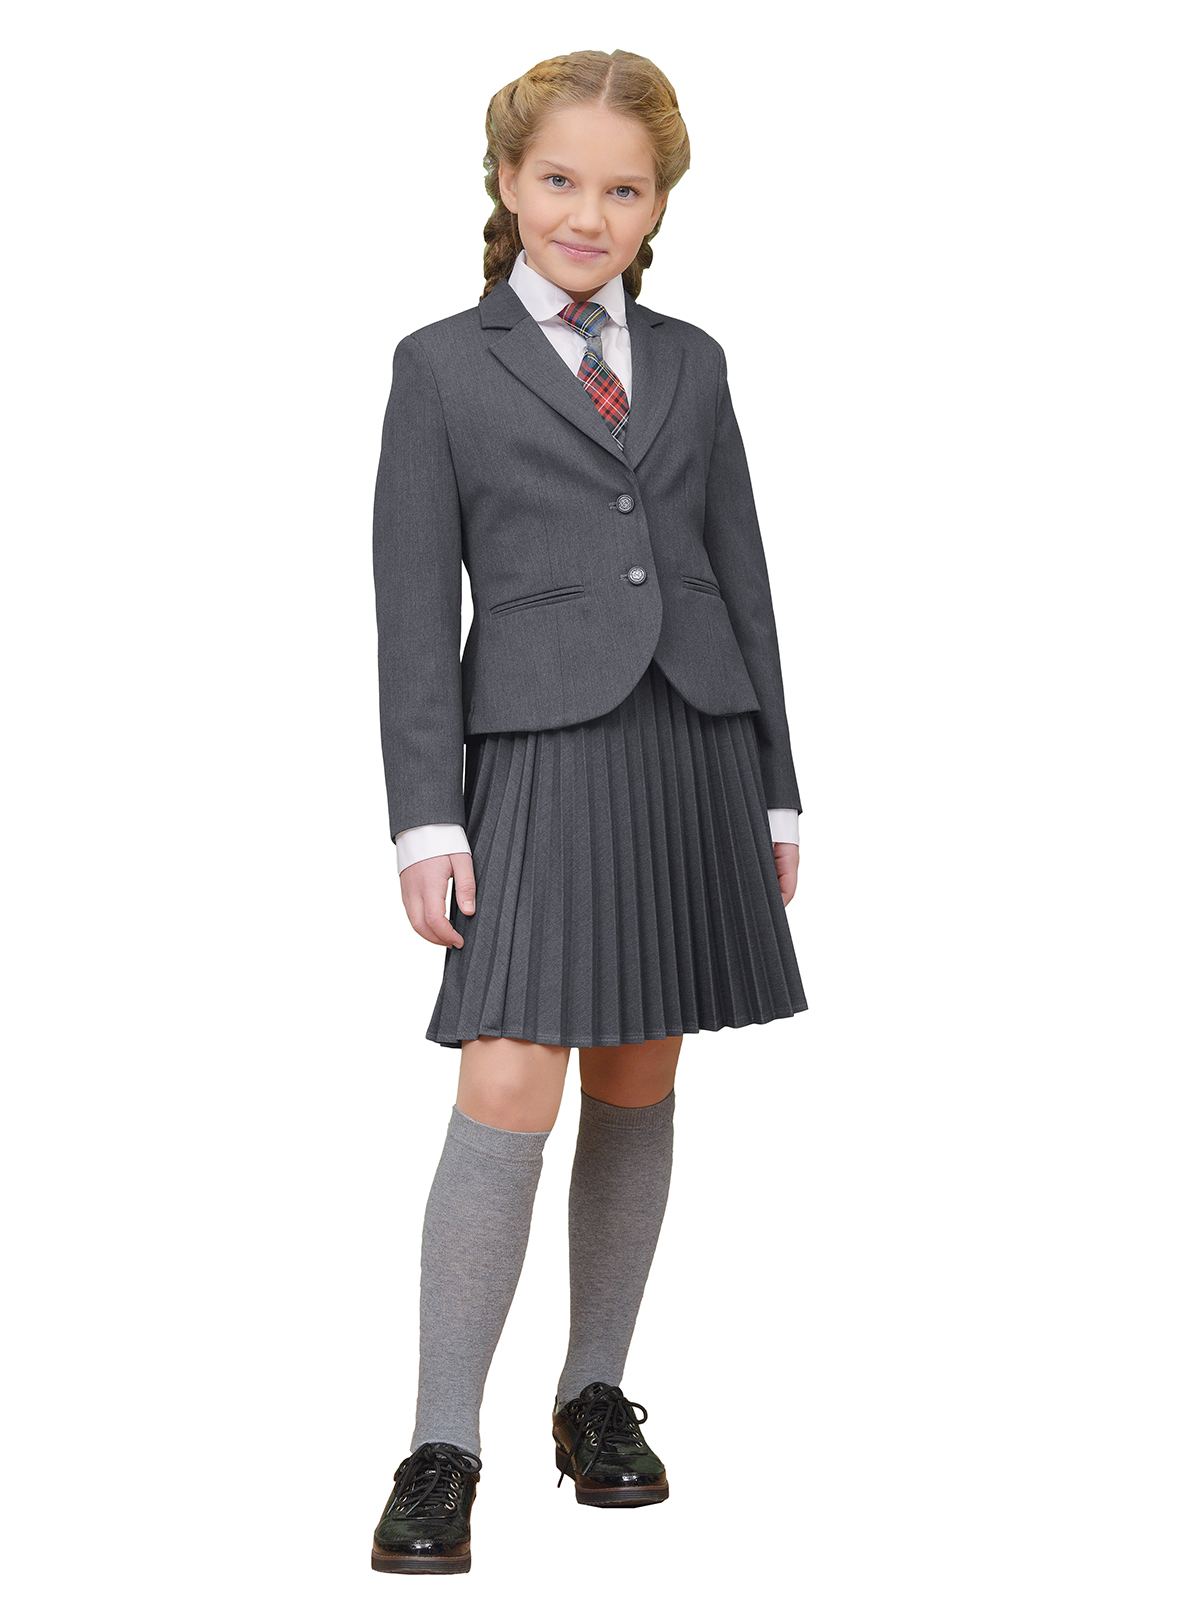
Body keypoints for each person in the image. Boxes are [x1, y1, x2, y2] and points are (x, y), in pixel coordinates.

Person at [368, 48, 807, 1575]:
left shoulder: (694, 361)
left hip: (690, 741)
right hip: (536, 760)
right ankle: (441, 1445)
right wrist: (427, 819)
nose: (587, 212)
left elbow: (742, 574)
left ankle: (595, 1396)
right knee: (508, 1076)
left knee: (637, 1069)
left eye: (623, 188)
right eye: (560, 178)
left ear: (658, 203)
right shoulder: (443, 367)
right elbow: (411, 609)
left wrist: (777, 783)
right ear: (507, 181)